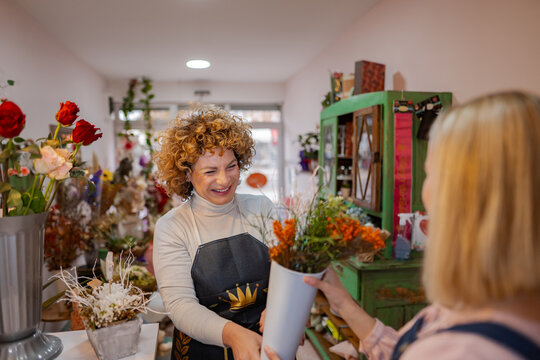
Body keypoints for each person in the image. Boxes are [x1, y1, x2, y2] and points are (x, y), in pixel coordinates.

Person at [265, 91, 540, 360]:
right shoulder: (492, 305)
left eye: (430, 173)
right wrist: (344, 305)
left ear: (465, 197)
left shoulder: (463, 349)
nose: (424, 191)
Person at [153, 105, 275, 360]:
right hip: (201, 351)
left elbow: (287, 270)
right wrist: (234, 335)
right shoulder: (173, 227)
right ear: (187, 174)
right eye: (210, 171)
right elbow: (180, 305)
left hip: (267, 345)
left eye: (231, 166)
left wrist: (283, 309)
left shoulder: (261, 208)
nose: (224, 180)